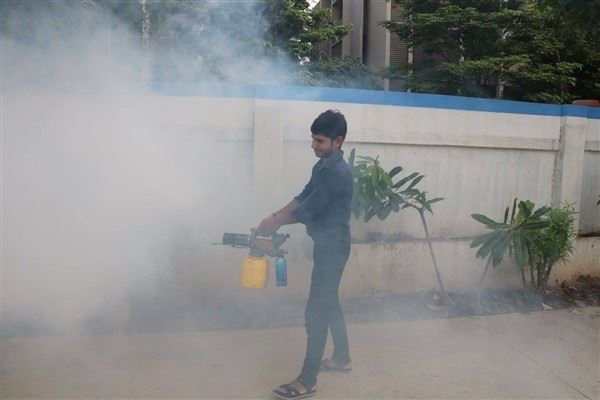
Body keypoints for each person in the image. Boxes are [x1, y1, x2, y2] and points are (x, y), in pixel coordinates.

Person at [257, 109, 354, 400]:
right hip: (326, 244)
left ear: (338, 141)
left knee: (316, 312)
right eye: (313, 139)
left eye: (320, 141)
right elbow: (303, 197)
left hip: (334, 246)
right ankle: (342, 358)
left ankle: (307, 380)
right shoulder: (323, 166)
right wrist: (274, 216)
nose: (314, 145)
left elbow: (308, 211)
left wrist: (276, 222)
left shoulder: (338, 173)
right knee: (329, 300)